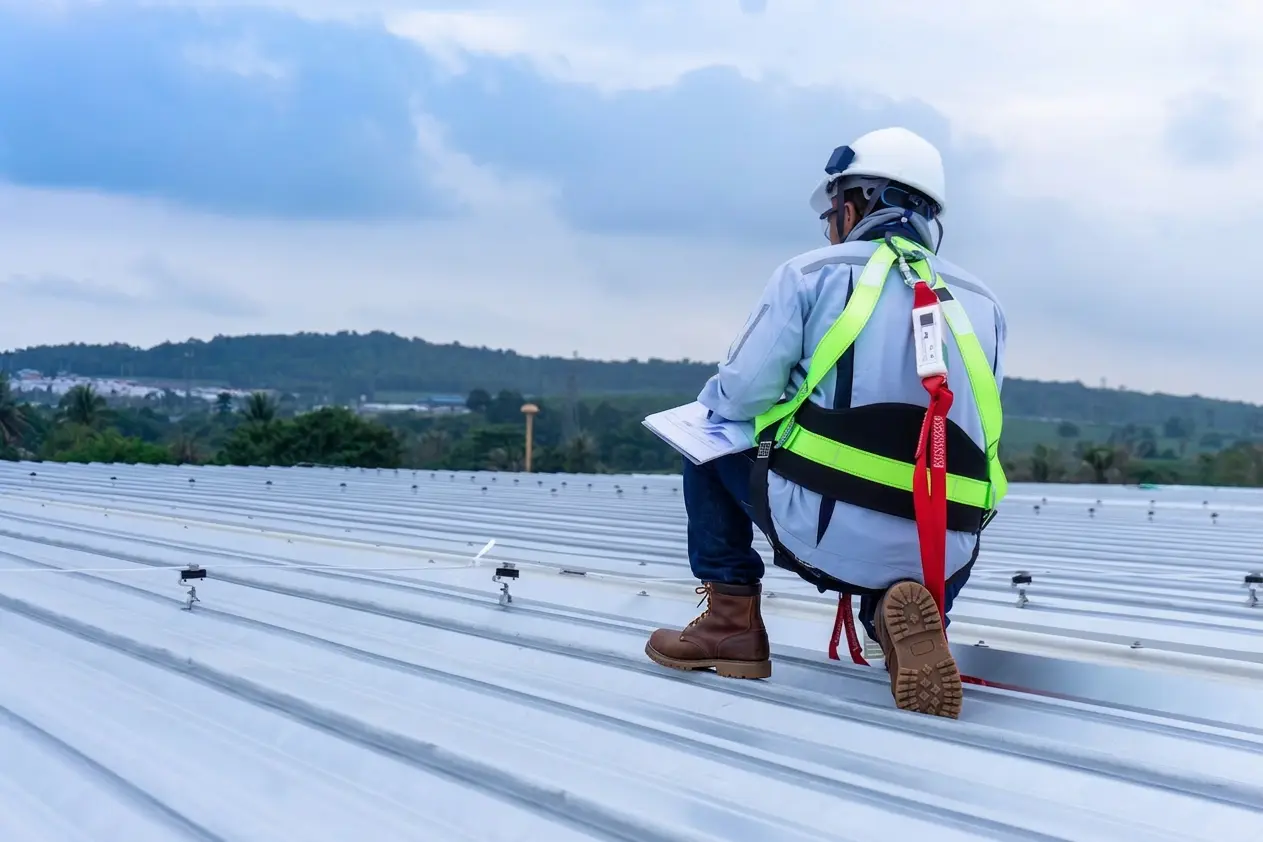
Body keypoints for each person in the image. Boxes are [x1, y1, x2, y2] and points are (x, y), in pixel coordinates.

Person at [644, 127, 1008, 719]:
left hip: (822, 529)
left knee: (704, 431)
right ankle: (904, 616)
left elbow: (739, 395)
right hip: (943, 552)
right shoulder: (984, 304)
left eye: (834, 211)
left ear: (857, 201)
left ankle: (730, 622)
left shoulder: (810, 274)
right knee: (919, 489)